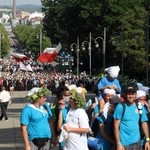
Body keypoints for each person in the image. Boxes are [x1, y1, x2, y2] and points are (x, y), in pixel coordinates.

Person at [113, 85, 150, 150]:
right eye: (128, 94)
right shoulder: (120, 107)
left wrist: (147, 140)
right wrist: (118, 144)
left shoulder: (139, 106)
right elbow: (115, 126)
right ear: (125, 94)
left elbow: (144, 123)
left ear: (135, 94)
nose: (130, 96)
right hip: (124, 143)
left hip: (137, 142)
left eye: (132, 94)